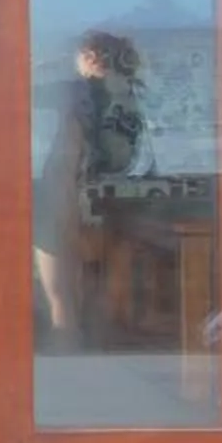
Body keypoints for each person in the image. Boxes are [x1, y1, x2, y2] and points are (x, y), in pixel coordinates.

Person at [32, 29, 144, 332]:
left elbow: (20, 95)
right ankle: (100, 342)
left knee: (61, 293)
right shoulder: (132, 94)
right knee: (92, 286)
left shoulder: (80, 91)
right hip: (111, 201)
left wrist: (39, 66)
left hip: (68, 198)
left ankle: (65, 348)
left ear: (91, 57)